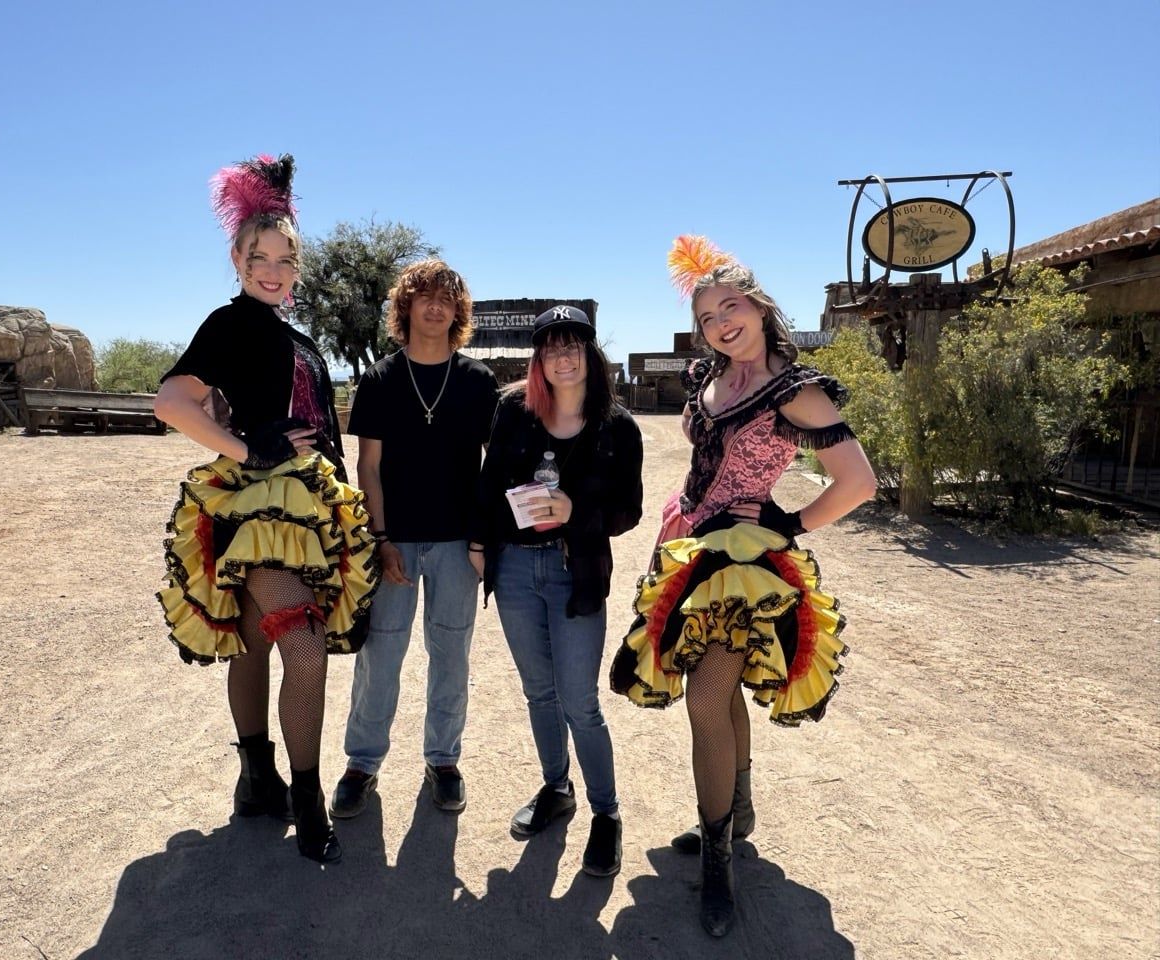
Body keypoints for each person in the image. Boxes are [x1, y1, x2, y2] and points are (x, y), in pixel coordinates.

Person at [610, 236, 876, 935]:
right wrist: (673, 536)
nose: (721, 324)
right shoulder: (710, 376)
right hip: (690, 546)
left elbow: (858, 483)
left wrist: (789, 521)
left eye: (731, 306)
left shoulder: (797, 388)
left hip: (744, 561)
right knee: (716, 693)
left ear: (759, 306)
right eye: (707, 316)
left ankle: (719, 862)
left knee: (705, 699)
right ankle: (738, 810)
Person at [154, 154, 378, 864]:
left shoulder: (294, 336)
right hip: (258, 512)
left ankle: (256, 779)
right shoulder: (234, 321)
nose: (274, 271)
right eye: (260, 257)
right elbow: (171, 402)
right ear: (237, 258)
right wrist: (246, 447)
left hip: (310, 511)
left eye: (286, 258)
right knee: (304, 651)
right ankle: (307, 803)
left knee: (254, 640)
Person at [471, 305, 643, 878]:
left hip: (577, 573)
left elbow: (630, 511)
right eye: (551, 348)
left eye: (573, 347)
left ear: (589, 356)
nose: (562, 358)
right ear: (538, 359)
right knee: (538, 694)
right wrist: (479, 544)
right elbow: (489, 480)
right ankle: (556, 787)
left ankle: (607, 814)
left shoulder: (619, 427)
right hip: (516, 571)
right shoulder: (513, 412)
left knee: (581, 702)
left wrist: (577, 510)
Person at [331, 259, 498, 818]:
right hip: (394, 541)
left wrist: (480, 541)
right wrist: (380, 538)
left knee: (451, 656)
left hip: (455, 544)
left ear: (457, 312)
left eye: (445, 299)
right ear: (405, 307)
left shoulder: (478, 383)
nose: (434, 306)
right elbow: (369, 466)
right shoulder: (378, 380)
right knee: (381, 656)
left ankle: (443, 761)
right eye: (423, 296)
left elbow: (491, 470)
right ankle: (362, 764)